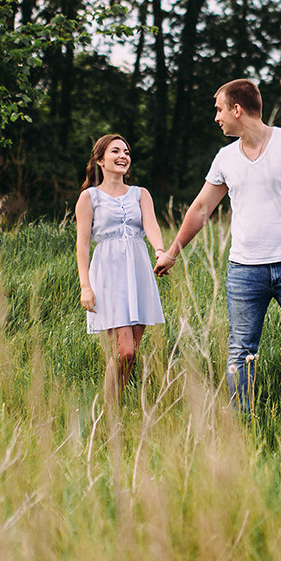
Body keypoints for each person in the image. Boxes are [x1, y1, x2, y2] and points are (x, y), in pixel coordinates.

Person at [154, 79, 281, 420]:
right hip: (244, 271)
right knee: (240, 350)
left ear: (237, 109)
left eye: (219, 109)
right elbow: (200, 208)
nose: (217, 117)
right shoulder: (225, 159)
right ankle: (241, 423)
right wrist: (173, 252)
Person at [75, 133, 167, 403]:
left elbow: (151, 226)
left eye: (126, 151)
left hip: (137, 274)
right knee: (124, 351)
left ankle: (111, 412)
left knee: (129, 353)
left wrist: (160, 252)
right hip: (107, 276)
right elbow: (81, 246)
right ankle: (106, 411)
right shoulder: (89, 198)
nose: (123, 156)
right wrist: (85, 287)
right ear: (100, 160)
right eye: (115, 151)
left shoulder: (141, 194)